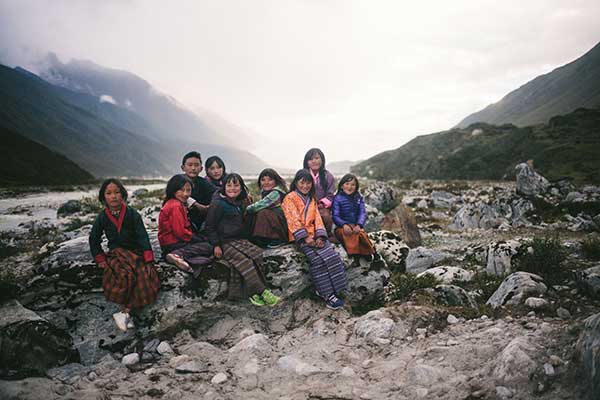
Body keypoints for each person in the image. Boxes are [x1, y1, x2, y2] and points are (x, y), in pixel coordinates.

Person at [89, 178, 159, 332]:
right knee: (123, 274)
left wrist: (148, 257)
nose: (113, 196)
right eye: (109, 193)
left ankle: (125, 312)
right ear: (103, 197)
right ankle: (125, 312)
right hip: (116, 253)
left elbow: (142, 236)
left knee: (144, 275)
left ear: (123, 195)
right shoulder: (102, 217)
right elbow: (94, 238)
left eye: (117, 192)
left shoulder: (132, 214)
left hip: (135, 252)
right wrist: (100, 258)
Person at [204, 173, 280, 306]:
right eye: (229, 185)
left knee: (257, 254)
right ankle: (261, 292)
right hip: (224, 242)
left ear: (241, 187)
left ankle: (252, 293)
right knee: (244, 261)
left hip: (239, 240)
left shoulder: (240, 203)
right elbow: (209, 226)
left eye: (236, 185)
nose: (232, 188)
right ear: (224, 187)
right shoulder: (217, 204)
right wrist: (216, 245)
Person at [281, 169, 347, 310]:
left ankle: (338, 289)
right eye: (302, 183)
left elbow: (317, 218)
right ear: (296, 183)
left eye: (308, 183)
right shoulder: (289, 198)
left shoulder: (311, 199)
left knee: (332, 256)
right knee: (317, 260)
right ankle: (326, 295)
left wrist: (320, 236)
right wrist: (305, 237)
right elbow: (292, 219)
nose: (305, 186)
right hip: (299, 236)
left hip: (315, 235)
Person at [158, 174, 214, 276]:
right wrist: (196, 238)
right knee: (208, 247)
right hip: (173, 243)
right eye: (181, 190)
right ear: (173, 190)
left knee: (205, 245)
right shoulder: (175, 206)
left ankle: (180, 256)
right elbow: (180, 233)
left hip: (170, 243)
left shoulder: (174, 202)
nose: (185, 194)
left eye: (188, 190)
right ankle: (178, 254)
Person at [332, 174, 375, 267]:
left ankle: (367, 252)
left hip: (355, 226)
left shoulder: (358, 198)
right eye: (347, 184)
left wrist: (359, 225)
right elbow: (335, 215)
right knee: (349, 234)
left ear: (356, 187)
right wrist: (344, 224)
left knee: (361, 234)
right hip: (341, 228)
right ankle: (355, 256)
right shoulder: (337, 198)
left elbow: (362, 213)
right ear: (342, 185)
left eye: (353, 185)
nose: (349, 187)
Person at [246, 168, 289, 248]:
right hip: (275, 222)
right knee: (260, 213)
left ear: (276, 181)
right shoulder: (265, 192)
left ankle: (277, 239)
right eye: (263, 180)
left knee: (263, 212)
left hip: (282, 224)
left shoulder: (276, 193)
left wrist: (247, 208)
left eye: (270, 180)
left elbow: (261, 204)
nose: (266, 182)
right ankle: (262, 238)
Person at [303, 148, 336, 239]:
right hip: (305, 205)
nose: (314, 161)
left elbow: (330, 195)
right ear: (306, 162)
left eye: (317, 158)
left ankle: (325, 235)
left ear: (322, 160)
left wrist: (321, 203)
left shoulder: (328, 176)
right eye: (311, 159)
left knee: (326, 217)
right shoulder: (303, 174)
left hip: (321, 206)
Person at [180, 151, 217, 232]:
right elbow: (172, 193)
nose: (193, 168)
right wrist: (195, 204)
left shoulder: (204, 182)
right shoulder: (177, 180)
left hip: (200, 222)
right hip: (181, 221)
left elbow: (217, 192)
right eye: (190, 165)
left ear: (201, 168)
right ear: (183, 168)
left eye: (196, 165)